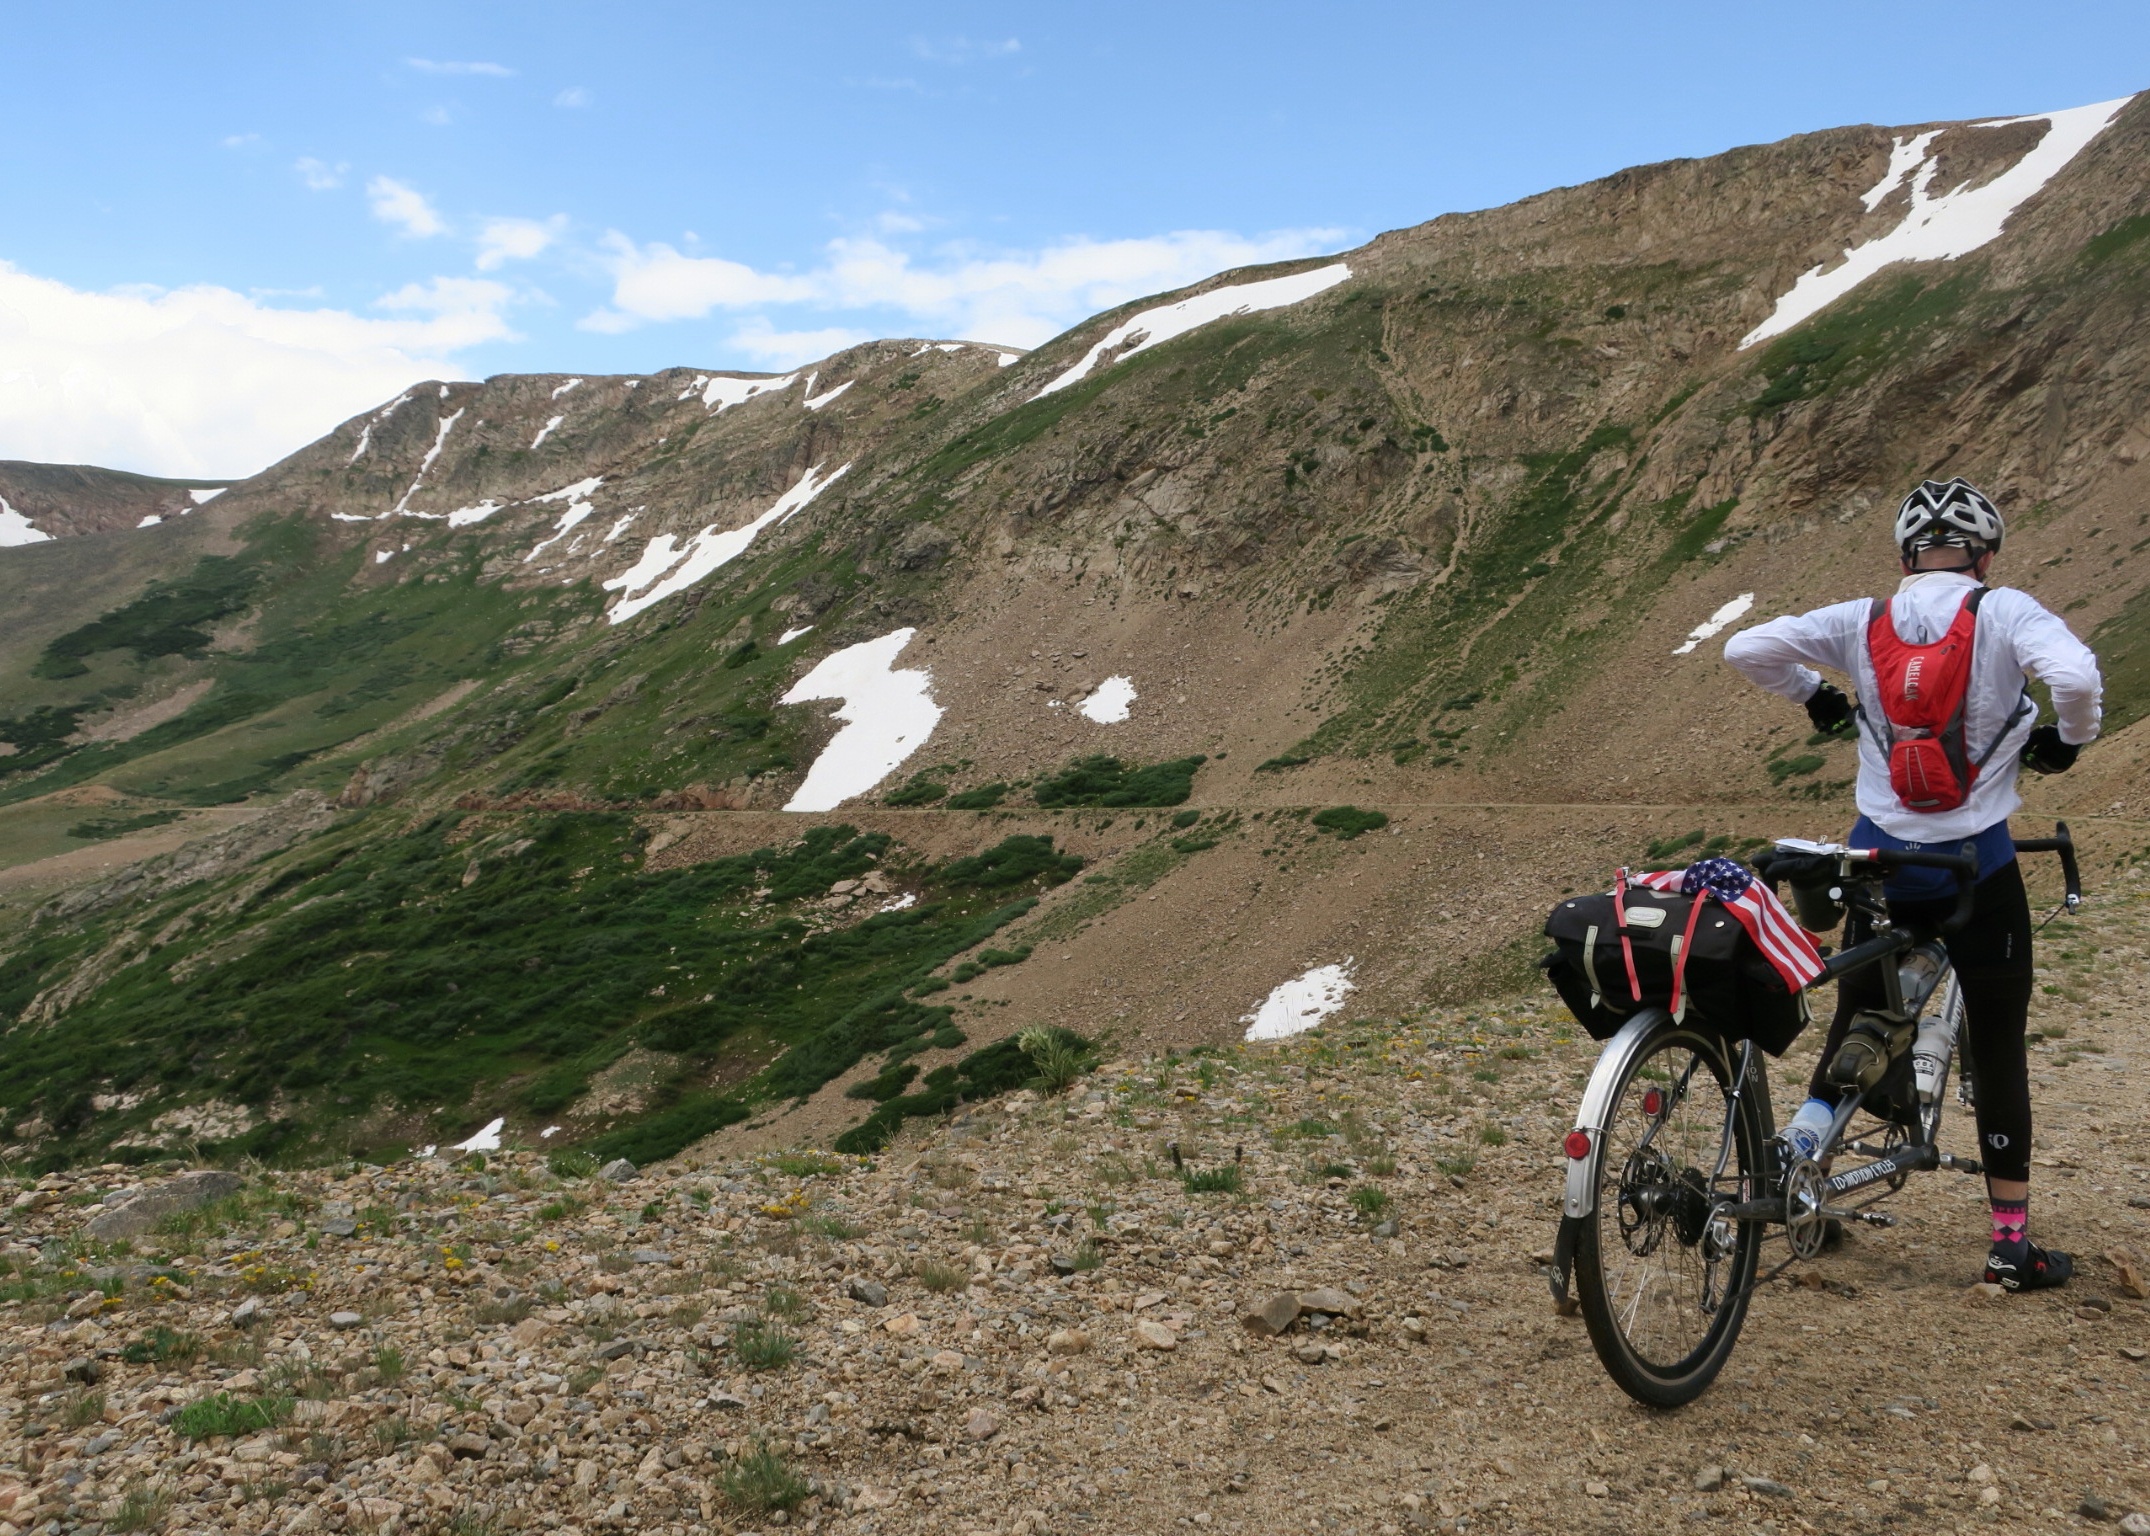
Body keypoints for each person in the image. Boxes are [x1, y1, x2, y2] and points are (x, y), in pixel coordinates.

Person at [1723, 479, 2102, 1292]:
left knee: (1854, 1018)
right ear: (1984, 556)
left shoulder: (1861, 620)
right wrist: (2067, 743)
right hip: (1976, 867)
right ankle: (2010, 1246)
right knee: (1997, 1046)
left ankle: (1796, 1172)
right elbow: (2074, 678)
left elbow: (1744, 648)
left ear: (1906, 558)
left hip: (1879, 863)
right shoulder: (2005, 612)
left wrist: (1816, 697)